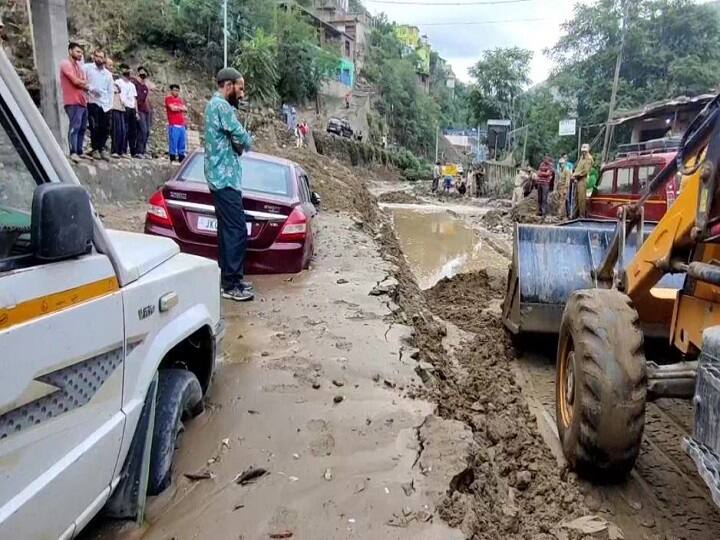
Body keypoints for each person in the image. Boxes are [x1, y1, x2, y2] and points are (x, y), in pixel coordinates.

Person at [204, 67, 254, 302]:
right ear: (228, 85)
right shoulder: (221, 106)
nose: (242, 94)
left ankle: (230, 280)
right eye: (240, 88)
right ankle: (231, 283)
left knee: (227, 230)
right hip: (224, 179)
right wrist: (245, 140)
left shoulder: (215, 106)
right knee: (237, 229)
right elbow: (243, 137)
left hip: (221, 177)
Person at [59, 42, 89, 162]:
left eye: (81, 52)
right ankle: (73, 152)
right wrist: (82, 82)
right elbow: (76, 82)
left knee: (82, 128)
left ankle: (79, 151)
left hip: (82, 101)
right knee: (75, 126)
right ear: (70, 51)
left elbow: (84, 83)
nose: (80, 54)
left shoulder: (79, 67)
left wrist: (82, 82)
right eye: (77, 51)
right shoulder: (65, 64)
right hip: (72, 101)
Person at [83, 49, 113, 161]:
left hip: (105, 104)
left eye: (101, 57)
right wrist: (91, 88)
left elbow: (110, 91)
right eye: (97, 56)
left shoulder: (108, 74)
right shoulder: (87, 68)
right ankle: (95, 149)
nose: (99, 59)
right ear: (93, 57)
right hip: (92, 101)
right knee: (94, 126)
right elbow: (82, 81)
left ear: (104, 59)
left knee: (105, 128)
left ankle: (101, 148)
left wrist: (109, 105)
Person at [115, 65, 138, 157]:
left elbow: (134, 98)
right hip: (123, 107)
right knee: (124, 129)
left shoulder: (132, 85)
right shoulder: (118, 82)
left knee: (132, 131)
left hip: (131, 108)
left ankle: (132, 151)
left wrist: (136, 111)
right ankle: (122, 150)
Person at [165, 84, 187, 163]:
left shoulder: (179, 100)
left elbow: (185, 109)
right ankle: (173, 157)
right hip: (173, 124)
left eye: (177, 90)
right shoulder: (168, 99)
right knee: (173, 142)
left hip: (181, 124)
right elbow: (172, 108)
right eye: (174, 90)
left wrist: (178, 108)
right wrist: (180, 108)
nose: (176, 92)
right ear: (171, 91)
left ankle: (181, 158)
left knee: (182, 142)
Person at [133, 66, 151, 158]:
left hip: (146, 110)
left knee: (147, 131)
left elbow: (146, 99)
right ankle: (138, 151)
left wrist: (149, 111)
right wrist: (136, 111)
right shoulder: (135, 84)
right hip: (139, 110)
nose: (143, 75)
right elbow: (134, 98)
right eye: (141, 73)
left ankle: (143, 151)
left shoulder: (145, 87)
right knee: (142, 130)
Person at [572, 143, 594, 218]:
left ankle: (582, 216)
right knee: (576, 198)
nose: (583, 152)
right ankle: (575, 215)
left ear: (588, 150)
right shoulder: (582, 158)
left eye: (585, 151)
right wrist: (574, 176)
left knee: (581, 199)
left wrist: (575, 175)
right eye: (583, 151)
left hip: (583, 180)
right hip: (577, 180)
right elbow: (578, 168)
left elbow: (585, 171)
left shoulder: (589, 158)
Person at [110, 76, 126, 158]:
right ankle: (114, 150)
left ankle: (121, 150)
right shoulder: (111, 85)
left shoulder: (117, 86)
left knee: (123, 131)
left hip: (121, 108)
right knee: (116, 130)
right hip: (114, 107)